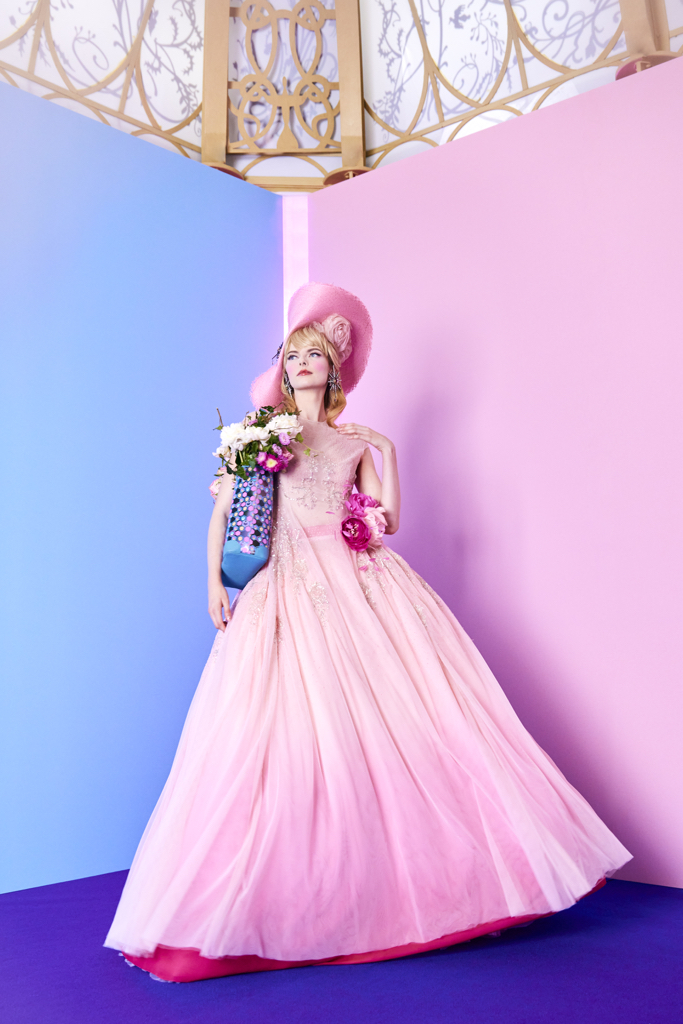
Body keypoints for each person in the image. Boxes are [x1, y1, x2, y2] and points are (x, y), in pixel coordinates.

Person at [105, 283, 630, 982]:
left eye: (314, 356)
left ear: (333, 370)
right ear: (282, 368)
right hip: (285, 583)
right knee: (279, 731)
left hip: (360, 578)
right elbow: (225, 513)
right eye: (293, 356)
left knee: (404, 717)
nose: (302, 365)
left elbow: (389, 521)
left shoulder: (352, 442)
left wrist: (385, 451)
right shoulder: (262, 433)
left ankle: (421, 892)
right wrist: (213, 585)